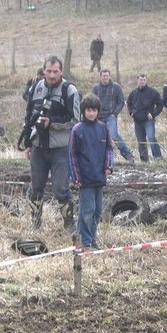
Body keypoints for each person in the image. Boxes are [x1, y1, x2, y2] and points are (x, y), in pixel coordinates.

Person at [21, 54, 80, 231]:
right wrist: (27, 143)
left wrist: (52, 123)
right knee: (36, 187)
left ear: (61, 71)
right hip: (38, 146)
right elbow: (28, 117)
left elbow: (75, 121)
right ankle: (35, 223)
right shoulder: (35, 88)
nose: (52, 75)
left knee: (61, 189)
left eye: (55, 71)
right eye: (48, 71)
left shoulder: (69, 90)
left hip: (60, 148)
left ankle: (69, 224)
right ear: (44, 71)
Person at [69, 93, 113, 249]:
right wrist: (75, 177)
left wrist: (108, 166)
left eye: (94, 110)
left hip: (99, 177)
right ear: (83, 111)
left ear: (98, 111)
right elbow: (72, 155)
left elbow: (109, 149)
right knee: (87, 210)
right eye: (88, 110)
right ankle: (85, 241)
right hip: (84, 178)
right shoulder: (77, 130)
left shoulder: (103, 128)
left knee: (98, 211)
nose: (91, 113)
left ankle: (91, 239)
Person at [92, 69, 135, 162]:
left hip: (110, 116)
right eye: (103, 76)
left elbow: (121, 101)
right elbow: (91, 101)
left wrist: (114, 113)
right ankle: (100, 158)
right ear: (100, 76)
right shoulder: (96, 88)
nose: (105, 77)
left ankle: (128, 155)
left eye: (107, 76)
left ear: (109, 76)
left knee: (114, 135)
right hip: (98, 117)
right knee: (97, 137)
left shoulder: (116, 87)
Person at [126, 73, 163, 162]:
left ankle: (158, 158)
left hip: (148, 120)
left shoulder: (152, 92)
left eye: (144, 80)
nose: (142, 81)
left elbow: (160, 104)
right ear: (137, 80)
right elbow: (128, 103)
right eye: (141, 80)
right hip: (137, 120)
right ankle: (144, 160)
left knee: (151, 138)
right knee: (141, 141)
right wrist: (131, 113)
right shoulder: (133, 92)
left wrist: (153, 114)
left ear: (146, 81)